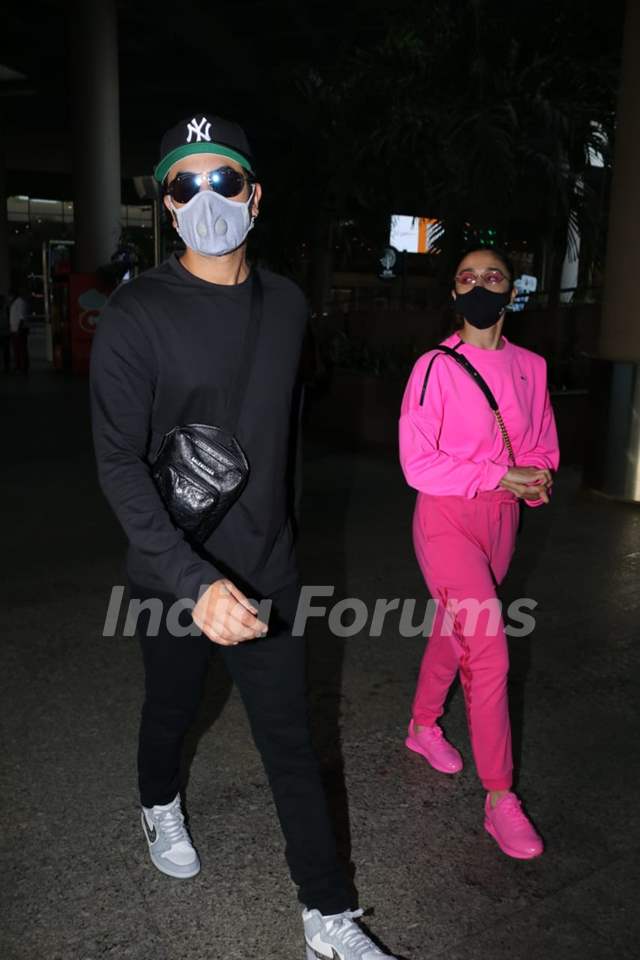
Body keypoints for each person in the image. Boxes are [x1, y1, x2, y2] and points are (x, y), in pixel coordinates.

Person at [90, 112, 398, 960]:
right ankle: (158, 800)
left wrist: (279, 551)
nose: (206, 197)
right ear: (166, 205)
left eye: (223, 179)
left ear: (255, 197)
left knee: (291, 740)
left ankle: (328, 916)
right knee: (172, 708)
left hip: (267, 569)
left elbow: (280, 435)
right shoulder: (135, 316)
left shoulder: (290, 304)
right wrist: (192, 582)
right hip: (172, 574)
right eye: (185, 185)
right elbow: (118, 465)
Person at [399, 246, 560, 860]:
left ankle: (421, 726)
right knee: (488, 645)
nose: (480, 285)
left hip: (502, 525)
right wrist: (501, 474)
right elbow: (419, 463)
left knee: (453, 630)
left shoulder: (533, 367)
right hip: (444, 520)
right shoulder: (435, 367)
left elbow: (543, 444)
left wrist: (537, 476)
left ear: (511, 290)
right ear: (454, 293)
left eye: (492, 276)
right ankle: (500, 798)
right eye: (467, 277)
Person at [9, 287, 30, 374]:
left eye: (10, 295)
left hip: (20, 330)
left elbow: (21, 317)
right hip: (15, 329)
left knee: (22, 349)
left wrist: (18, 329)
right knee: (17, 349)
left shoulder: (20, 302)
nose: (9, 297)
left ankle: (23, 367)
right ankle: (18, 366)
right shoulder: (13, 303)